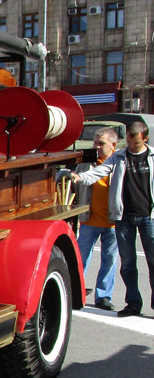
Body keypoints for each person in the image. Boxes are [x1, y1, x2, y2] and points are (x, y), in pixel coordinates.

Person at [72, 121, 154, 317]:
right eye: (129, 143)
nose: (132, 147)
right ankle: (133, 304)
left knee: (152, 262)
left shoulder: (152, 157)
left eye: (135, 144)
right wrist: (80, 177)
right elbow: (98, 172)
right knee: (127, 264)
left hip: (148, 217)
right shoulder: (119, 157)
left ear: (145, 139)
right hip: (124, 218)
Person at [71, 127, 120, 311]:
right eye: (95, 143)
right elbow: (76, 181)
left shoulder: (120, 162)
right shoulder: (88, 161)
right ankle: (77, 293)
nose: (97, 147)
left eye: (102, 143)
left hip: (113, 221)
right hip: (88, 219)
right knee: (80, 259)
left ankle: (104, 297)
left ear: (113, 145)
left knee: (109, 260)